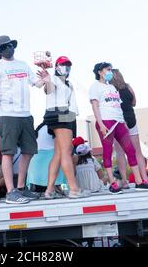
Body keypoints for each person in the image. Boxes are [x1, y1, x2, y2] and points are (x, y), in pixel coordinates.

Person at [0, 35, 47, 204]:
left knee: (28, 151)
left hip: (26, 114)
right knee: (8, 152)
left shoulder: (23, 64)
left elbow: (38, 84)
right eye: (4, 47)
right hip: (8, 114)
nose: (8, 48)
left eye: (10, 45)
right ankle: (11, 192)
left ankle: (20, 188)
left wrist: (45, 77)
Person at [90, 62, 148, 194]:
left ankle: (139, 181)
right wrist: (101, 123)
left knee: (130, 150)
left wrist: (123, 121)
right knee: (108, 152)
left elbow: (117, 105)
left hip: (119, 121)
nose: (110, 71)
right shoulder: (95, 87)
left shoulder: (112, 87)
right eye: (107, 69)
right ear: (99, 71)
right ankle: (113, 183)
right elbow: (95, 106)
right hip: (106, 121)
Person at [42, 56, 90, 199]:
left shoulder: (67, 83)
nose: (66, 67)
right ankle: (74, 189)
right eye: (63, 64)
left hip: (67, 115)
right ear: (56, 66)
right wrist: (47, 79)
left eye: (68, 65)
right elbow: (48, 90)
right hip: (60, 113)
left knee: (58, 153)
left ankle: (49, 190)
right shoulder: (54, 79)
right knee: (66, 151)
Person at [110, 69, 148, 188]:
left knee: (120, 153)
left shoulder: (110, 90)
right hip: (131, 120)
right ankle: (144, 178)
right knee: (137, 152)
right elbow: (134, 102)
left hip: (118, 121)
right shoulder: (128, 87)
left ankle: (124, 181)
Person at [26, 122, 67, 194]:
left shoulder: (40, 128)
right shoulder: (56, 127)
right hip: (52, 159)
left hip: (35, 165)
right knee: (62, 186)